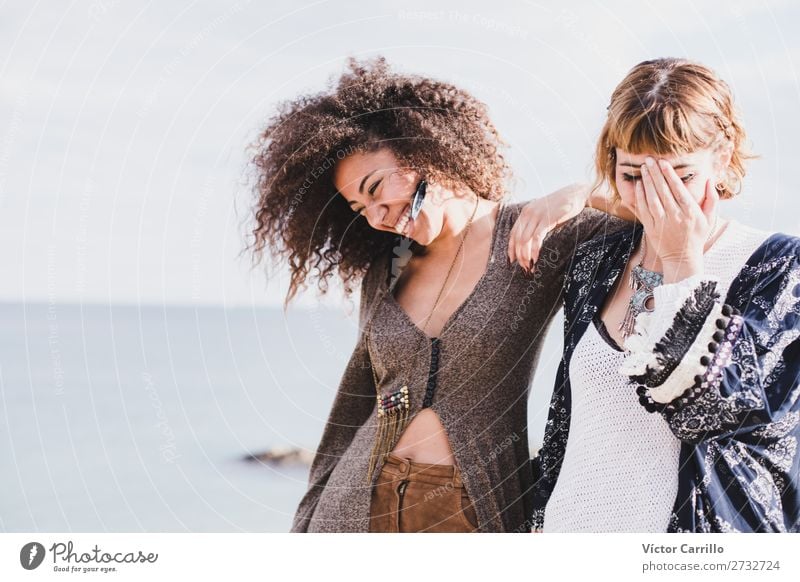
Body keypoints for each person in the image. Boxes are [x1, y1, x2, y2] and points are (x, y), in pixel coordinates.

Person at [247, 56, 628, 532]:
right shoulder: (387, 271)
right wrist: (306, 522)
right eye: (358, 207)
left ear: (424, 150)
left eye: (376, 188)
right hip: (351, 512)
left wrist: (581, 194)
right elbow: (354, 405)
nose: (375, 215)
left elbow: (664, 215)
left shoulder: (535, 232)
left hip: (468, 514)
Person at [530, 58, 800, 532]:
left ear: (723, 156)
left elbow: (711, 410)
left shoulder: (779, 268)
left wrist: (681, 265)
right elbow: (568, 430)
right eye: (634, 176)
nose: (656, 199)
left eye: (680, 177)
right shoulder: (598, 262)